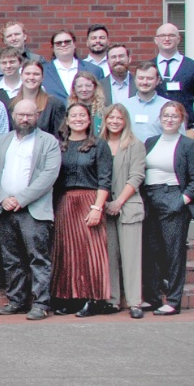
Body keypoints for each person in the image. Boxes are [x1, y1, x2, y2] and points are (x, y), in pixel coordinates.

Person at [0, 99, 63, 321]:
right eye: (21, 115)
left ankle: (40, 303)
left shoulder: (48, 142)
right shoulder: (2, 141)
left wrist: (21, 198)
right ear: (13, 116)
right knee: (11, 259)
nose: (25, 119)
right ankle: (17, 300)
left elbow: (49, 175)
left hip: (33, 209)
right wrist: (2, 198)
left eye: (29, 115)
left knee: (38, 258)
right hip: (6, 209)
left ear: (37, 116)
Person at [50, 102, 114, 317]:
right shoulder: (59, 146)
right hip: (64, 201)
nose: (78, 119)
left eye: (82, 115)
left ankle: (93, 299)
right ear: (67, 120)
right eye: (74, 115)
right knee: (66, 252)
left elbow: (105, 180)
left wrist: (97, 207)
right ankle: (71, 298)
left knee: (90, 253)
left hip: (89, 200)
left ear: (89, 120)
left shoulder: (99, 145)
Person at [141, 101, 194, 316]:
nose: (169, 119)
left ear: (182, 120)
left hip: (173, 198)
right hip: (150, 199)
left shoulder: (188, 145)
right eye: (166, 115)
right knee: (150, 251)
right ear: (159, 118)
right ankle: (152, 298)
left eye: (174, 116)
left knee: (173, 253)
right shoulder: (150, 142)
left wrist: (181, 201)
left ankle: (173, 300)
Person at [100, 104, 146, 318]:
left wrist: (118, 202)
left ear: (125, 120)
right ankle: (113, 300)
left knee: (131, 256)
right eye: (111, 118)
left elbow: (137, 177)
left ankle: (135, 302)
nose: (115, 121)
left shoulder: (135, 145)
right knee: (110, 256)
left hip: (128, 206)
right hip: (104, 208)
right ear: (105, 120)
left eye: (119, 118)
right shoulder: (99, 144)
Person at [153, 23, 194, 137]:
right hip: (154, 131)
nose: (167, 39)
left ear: (179, 39)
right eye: (162, 35)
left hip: (184, 132)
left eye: (171, 35)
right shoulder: (148, 67)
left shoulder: (193, 67)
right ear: (156, 40)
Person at [41, 30, 106, 102]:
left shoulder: (94, 70)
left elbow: (101, 98)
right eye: (59, 43)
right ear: (53, 47)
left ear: (74, 44)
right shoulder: (42, 71)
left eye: (67, 42)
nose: (63, 45)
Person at [10, 60, 67, 138]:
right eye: (27, 74)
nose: (31, 77)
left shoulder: (54, 105)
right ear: (21, 76)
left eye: (36, 74)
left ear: (42, 78)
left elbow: (60, 136)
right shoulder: (11, 104)